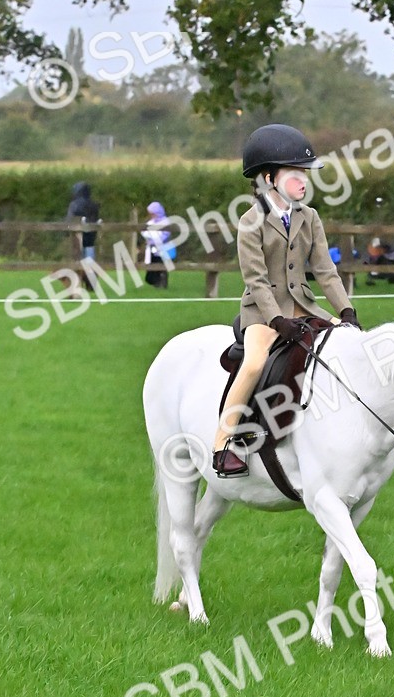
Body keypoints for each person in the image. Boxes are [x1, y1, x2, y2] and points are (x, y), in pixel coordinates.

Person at [212, 123, 360, 477]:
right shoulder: (250, 222)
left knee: (350, 348)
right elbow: (256, 279)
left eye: (304, 174)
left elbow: (325, 270)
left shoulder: (310, 217)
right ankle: (223, 444)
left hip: (304, 307)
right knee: (253, 364)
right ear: (268, 179)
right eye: (295, 174)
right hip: (262, 314)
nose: (304, 181)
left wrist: (346, 310)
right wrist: (277, 320)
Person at [66, 181, 100, 291]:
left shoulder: (74, 204)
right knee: (90, 259)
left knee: (78, 261)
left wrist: (65, 231)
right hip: (90, 237)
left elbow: (69, 220)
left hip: (77, 238)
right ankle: (91, 283)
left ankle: (77, 284)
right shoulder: (93, 205)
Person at [142, 201, 176, 288]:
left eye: (152, 213)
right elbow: (145, 232)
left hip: (164, 248)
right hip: (154, 249)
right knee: (153, 266)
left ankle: (162, 284)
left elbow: (165, 235)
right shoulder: (151, 222)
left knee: (162, 266)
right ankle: (156, 283)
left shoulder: (165, 222)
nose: (151, 215)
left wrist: (153, 239)